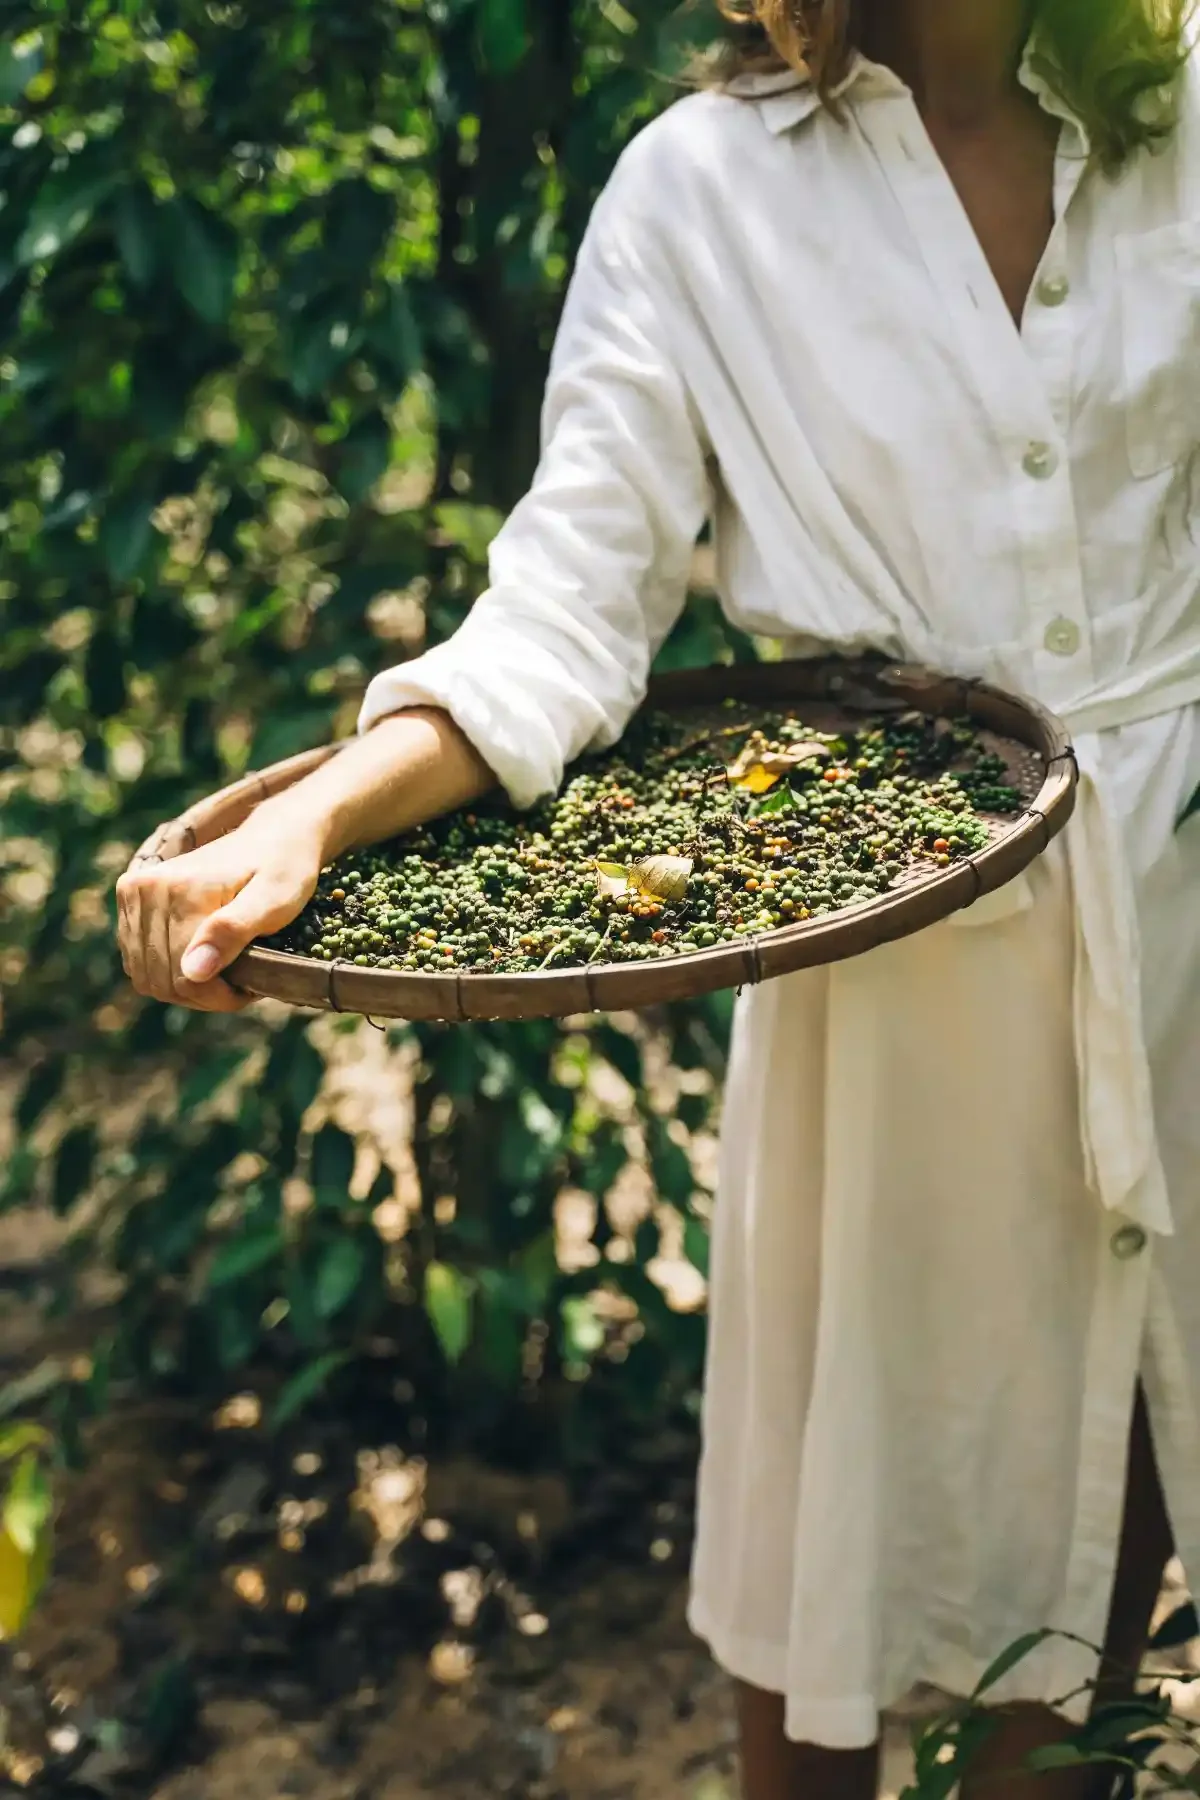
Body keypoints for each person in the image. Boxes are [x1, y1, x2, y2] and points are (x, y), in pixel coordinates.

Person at [117, 0, 1200, 1794]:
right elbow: (568, 606)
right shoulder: (704, 193)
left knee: (1119, 1507)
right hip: (901, 979)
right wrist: (314, 821)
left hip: (1178, 929)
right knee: (835, 1565)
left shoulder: (1168, 117)